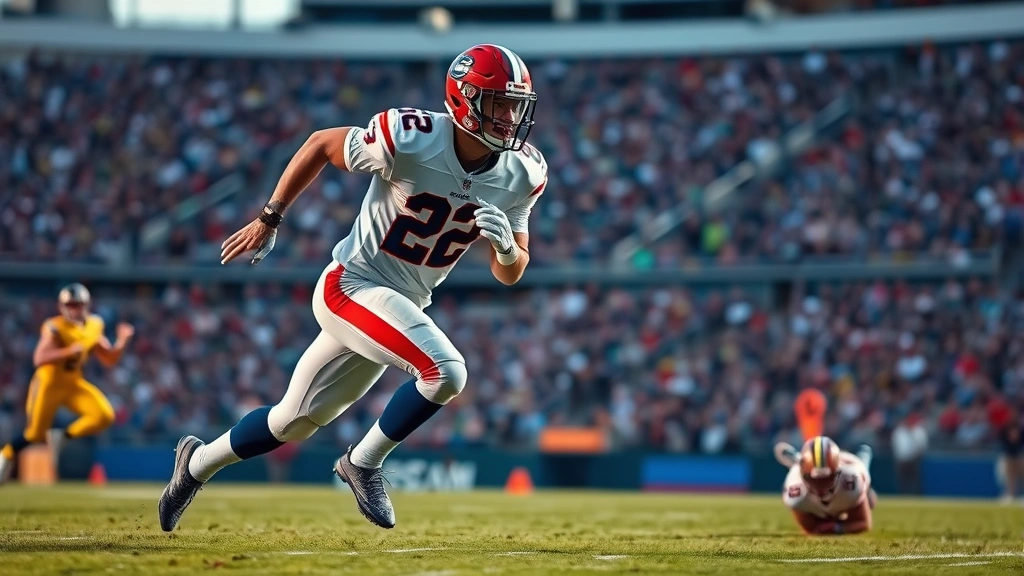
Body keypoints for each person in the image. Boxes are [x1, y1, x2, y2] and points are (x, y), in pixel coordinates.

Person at [157, 44, 546, 531]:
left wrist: (508, 250)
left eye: (517, 105)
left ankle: (193, 465)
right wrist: (270, 217)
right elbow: (321, 143)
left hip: (398, 304)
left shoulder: (524, 173)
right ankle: (362, 463)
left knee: (290, 422)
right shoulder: (411, 136)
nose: (511, 117)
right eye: (499, 103)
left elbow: (510, 273)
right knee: (446, 371)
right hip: (352, 285)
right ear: (464, 98)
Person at [0, 283, 134, 483]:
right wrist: (67, 351)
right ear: (61, 306)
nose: (73, 309)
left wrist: (122, 341)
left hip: (73, 383)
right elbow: (39, 357)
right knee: (35, 434)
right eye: (69, 305)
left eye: (77, 304)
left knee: (104, 415)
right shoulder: (55, 326)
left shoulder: (94, 325)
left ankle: (63, 437)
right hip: (48, 384)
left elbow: (108, 358)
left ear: (87, 305)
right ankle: (6, 454)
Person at [774, 436, 877, 535]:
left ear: (838, 473)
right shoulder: (795, 488)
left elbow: (863, 523)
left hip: (852, 463)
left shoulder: (853, 478)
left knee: (871, 499)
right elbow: (811, 529)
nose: (821, 487)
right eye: (814, 480)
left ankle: (864, 455)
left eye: (827, 479)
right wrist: (834, 526)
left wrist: (836, 527)